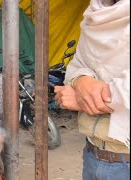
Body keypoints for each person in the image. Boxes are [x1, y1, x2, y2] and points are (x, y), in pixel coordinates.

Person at [54, 0, 130, 179]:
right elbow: (77, 64)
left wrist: (81, 99)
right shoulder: (94, 15)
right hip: (92, 154)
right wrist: (82, 81)